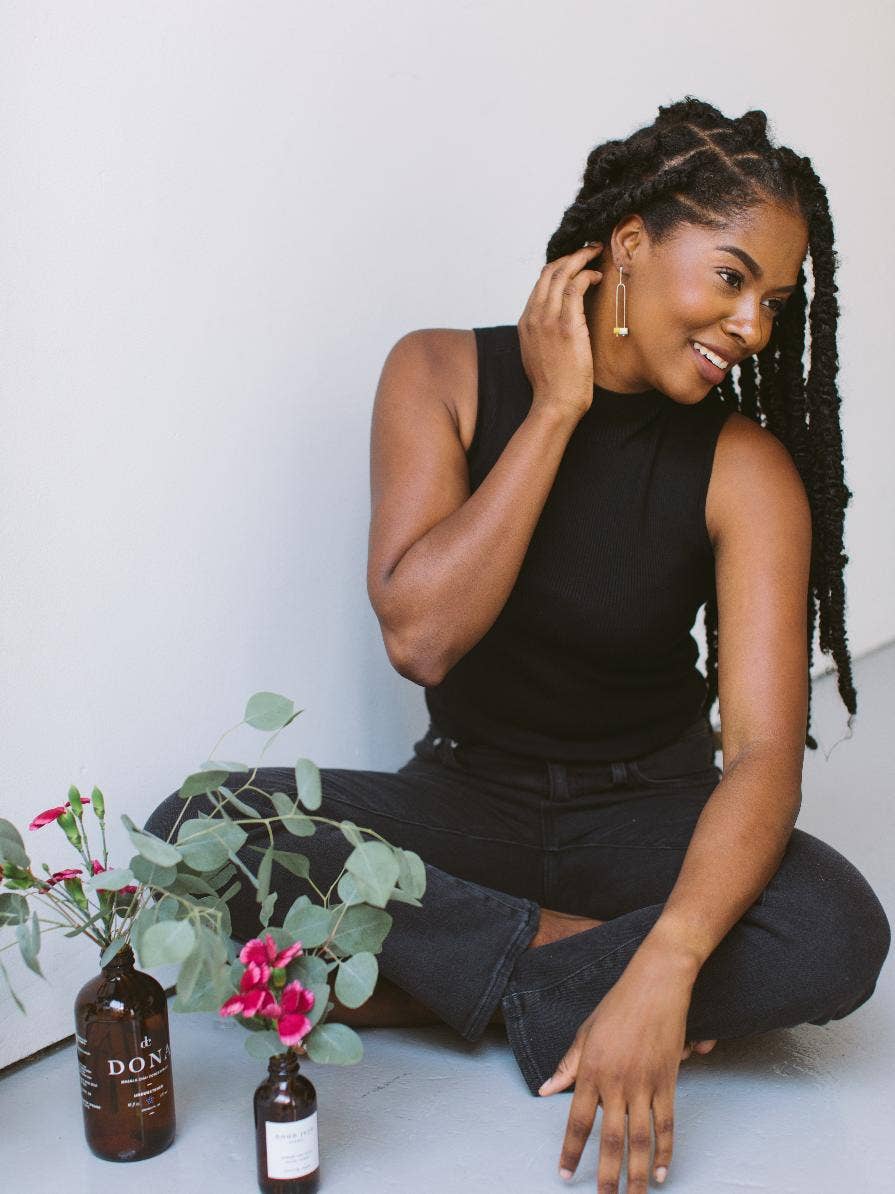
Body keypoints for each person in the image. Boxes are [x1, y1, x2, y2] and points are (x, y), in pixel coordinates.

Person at [143, 97, 890, 1190]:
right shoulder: (440, 376)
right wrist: (552, 413)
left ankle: (468, 980)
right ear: (628, 246)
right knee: (200, 834)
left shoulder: (746, 469)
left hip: (649, 812)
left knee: (836, 934)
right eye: (732, 279)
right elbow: (422, 641)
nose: (755, 329)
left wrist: (671, 950)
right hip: (467, 804)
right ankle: (586, 974)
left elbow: (765, 756)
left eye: (774, 302)